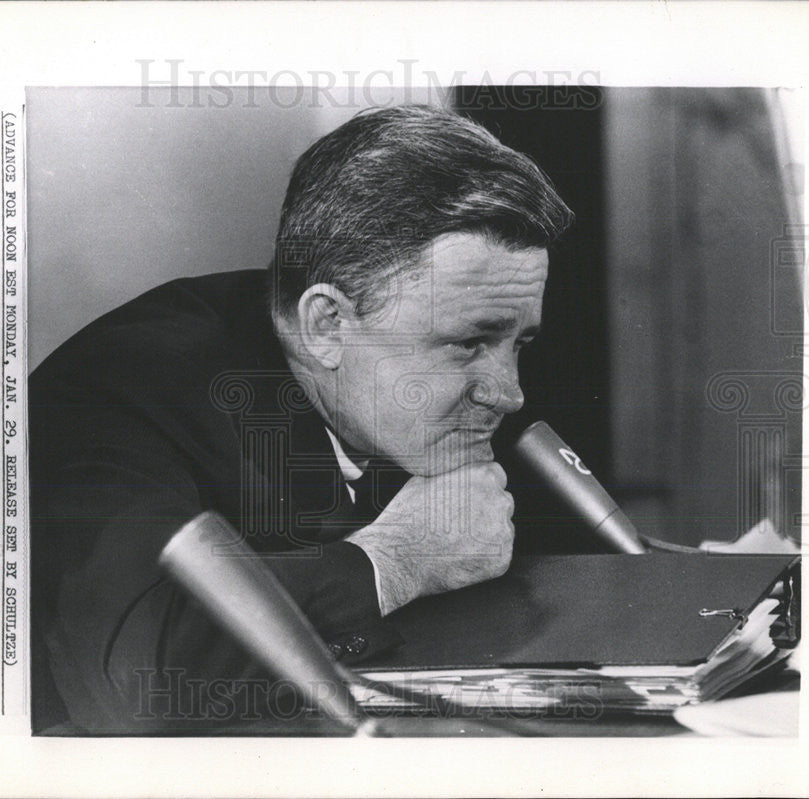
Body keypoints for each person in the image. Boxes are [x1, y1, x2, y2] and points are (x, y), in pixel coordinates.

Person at [29, 105, 574, 733]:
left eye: (519, 345)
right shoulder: (127, 383)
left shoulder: (383, 397)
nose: (509, 394)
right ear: (327, 325)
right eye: (468, 343)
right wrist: (395, 561)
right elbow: (138, 680)